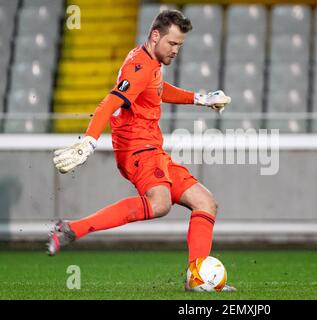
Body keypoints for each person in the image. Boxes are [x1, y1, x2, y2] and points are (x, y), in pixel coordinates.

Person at [48, 9, 235, 291]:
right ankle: (72, 229)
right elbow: (109, 103)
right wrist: (88, 141)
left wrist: (201, 99)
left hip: (153, 147)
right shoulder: (139, 66)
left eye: (180, 46)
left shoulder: (152, 63)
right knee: (160, 203)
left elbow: (158, 90)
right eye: (172, 44)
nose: (175, 51)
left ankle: (196, 279)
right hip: (136, 148)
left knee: (206, 202)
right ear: (155, 35)